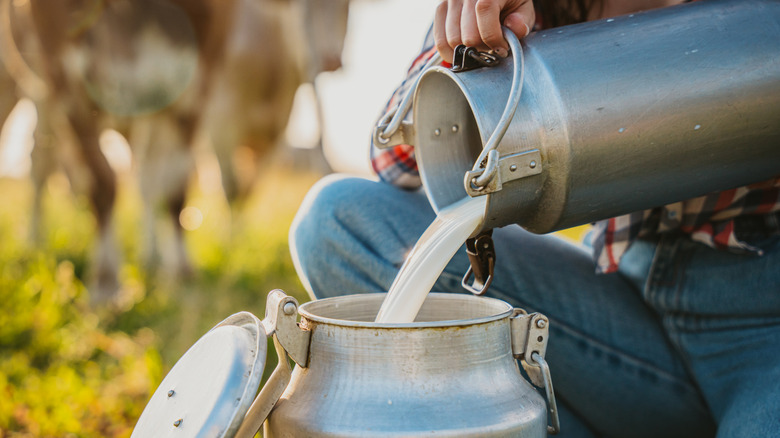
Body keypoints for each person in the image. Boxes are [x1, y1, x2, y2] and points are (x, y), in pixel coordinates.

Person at [289, 0, 780, 436]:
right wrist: (477, 42)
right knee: (336, 224)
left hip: (763, 323)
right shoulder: (542, 9)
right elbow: (396, 161)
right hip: (623, 309)